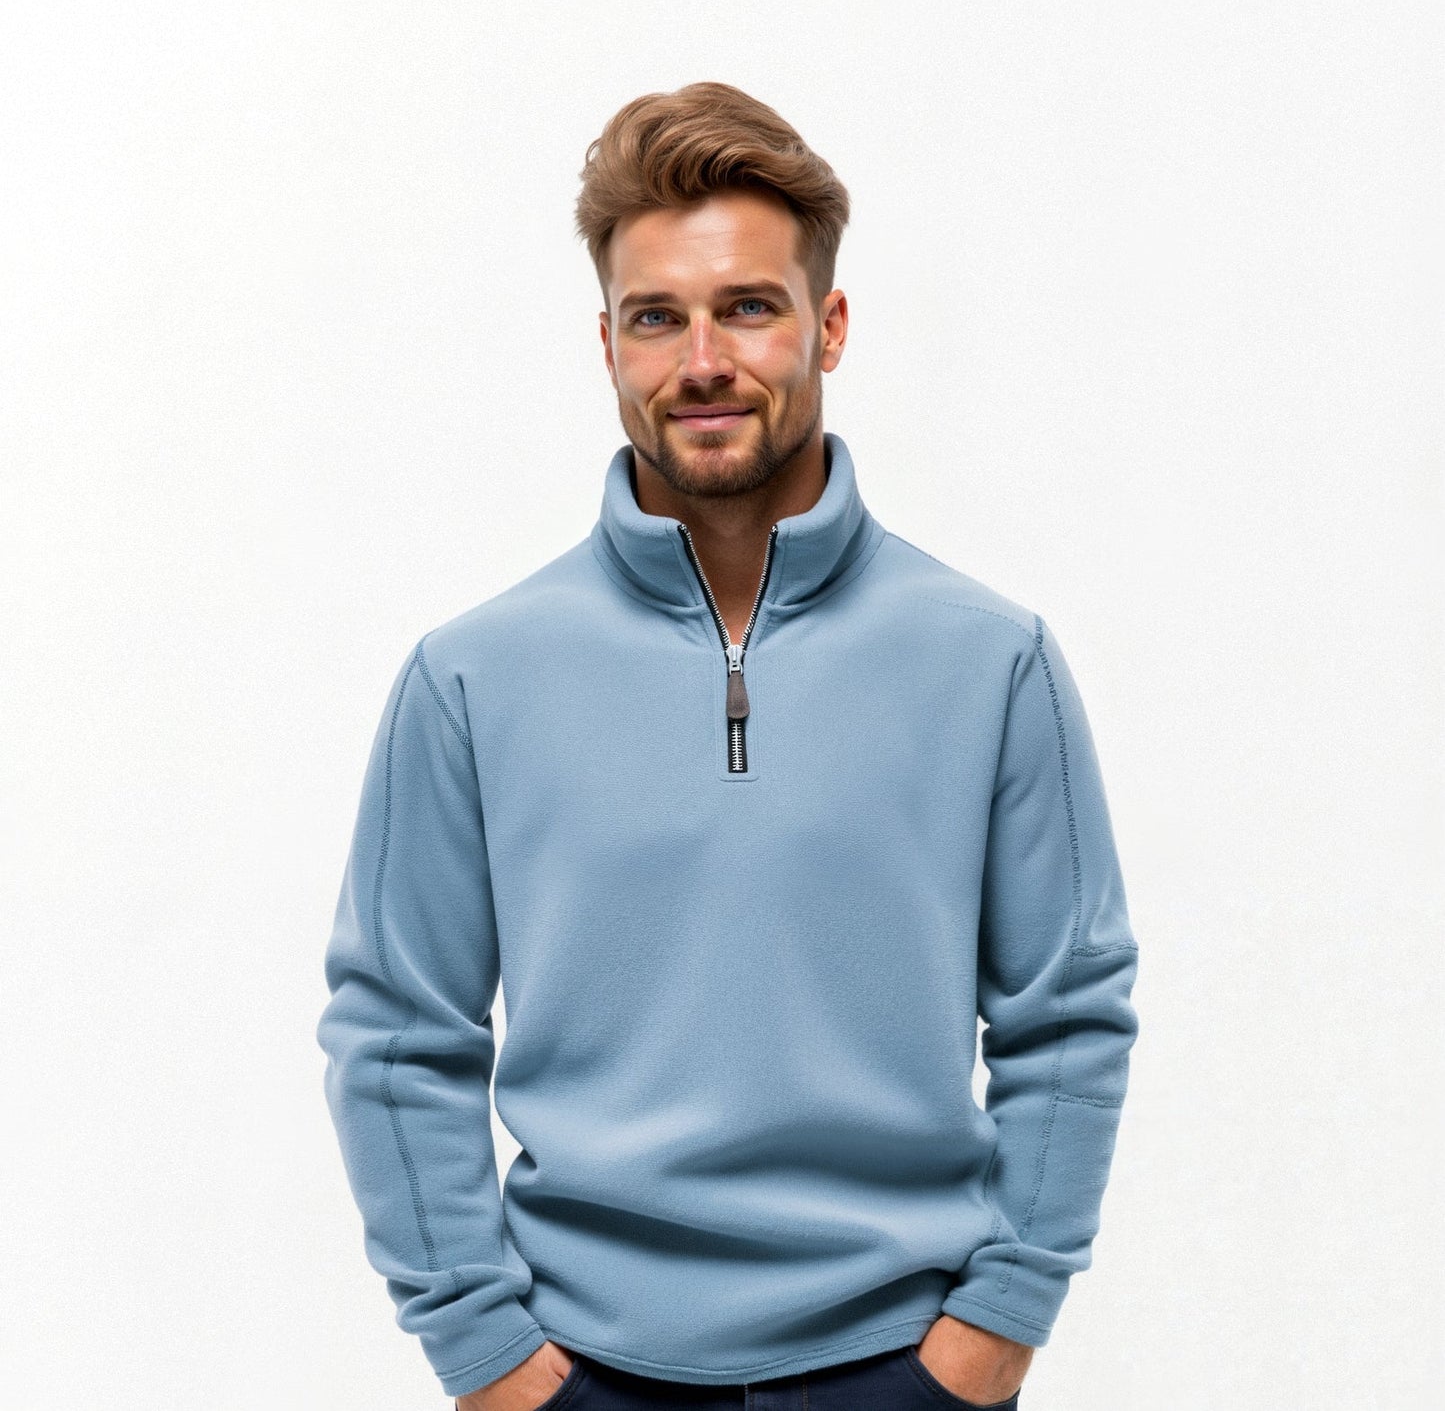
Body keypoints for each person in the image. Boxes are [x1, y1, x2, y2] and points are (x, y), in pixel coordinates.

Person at [315, 81, 1140, 1411]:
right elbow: (399, 1032)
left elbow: (1068, 1012)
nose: (703, 360)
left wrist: (996, 1326)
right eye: (657, 317)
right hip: (579, 1372)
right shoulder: (472, 677)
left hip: (902, 1367)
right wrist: (486, 1354)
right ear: (607, 344)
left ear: (830, 325)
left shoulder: (990, 660)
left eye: (748, 307)